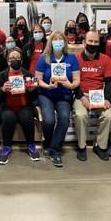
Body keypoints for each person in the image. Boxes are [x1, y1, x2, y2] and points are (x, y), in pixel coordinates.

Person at [35, 31, 80, 167]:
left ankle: (55, 150)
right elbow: (38, 80)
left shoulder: (71, 58)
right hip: (46, 94)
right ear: (51, 42)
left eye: (61, 39)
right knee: (48, 120)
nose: (58, 41)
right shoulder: (44, 58)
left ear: (65, 42)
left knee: (64, 118)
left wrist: (70, 85)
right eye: (55, 39)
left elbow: (77, 79)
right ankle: (47, 144)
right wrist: (48, 86)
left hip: (64, 95)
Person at [0, 47, 40, 165]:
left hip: (24, 106)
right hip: (7, 107)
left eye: (18, 58)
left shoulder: (28, 74)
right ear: (8, 61)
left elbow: (34, 98)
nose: (15, 60)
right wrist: (2, 89)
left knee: (27, 116)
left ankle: (31, 145)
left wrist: (31, 90)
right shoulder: (0, 76)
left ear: (22, 60)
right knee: (8, 117)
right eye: (12, 58)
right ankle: (7, 147)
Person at [74, 31, 111, 161]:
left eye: (96, 42)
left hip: (99, 94)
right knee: (81, 116)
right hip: (81, 94)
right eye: (90, 41)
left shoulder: (105, 59)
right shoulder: (76, 59)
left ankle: (101, 147)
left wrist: (107, 99)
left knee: (109, 116)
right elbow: (74, 83)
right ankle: (81, 147)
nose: (93, 44)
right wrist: (82, 97)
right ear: (84, 42)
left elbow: (109, 82)